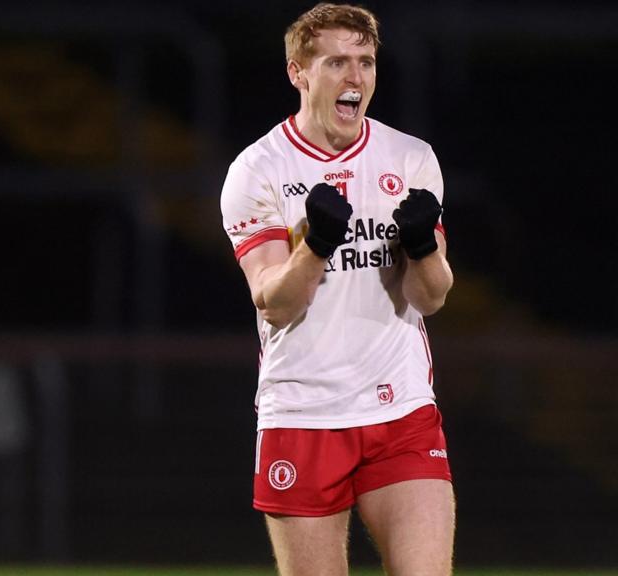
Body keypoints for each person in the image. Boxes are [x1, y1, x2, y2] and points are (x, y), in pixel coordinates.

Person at [220, 3, 455, 575]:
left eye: (366, 62)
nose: (356, 78)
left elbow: (432, 297)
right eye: (337, 62)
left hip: (399, 409)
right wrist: (316, 244)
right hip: (303, 413)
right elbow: (273, 302)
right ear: (298, 73)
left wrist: (422, 245)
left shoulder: (410, 158)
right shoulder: (257, 169)